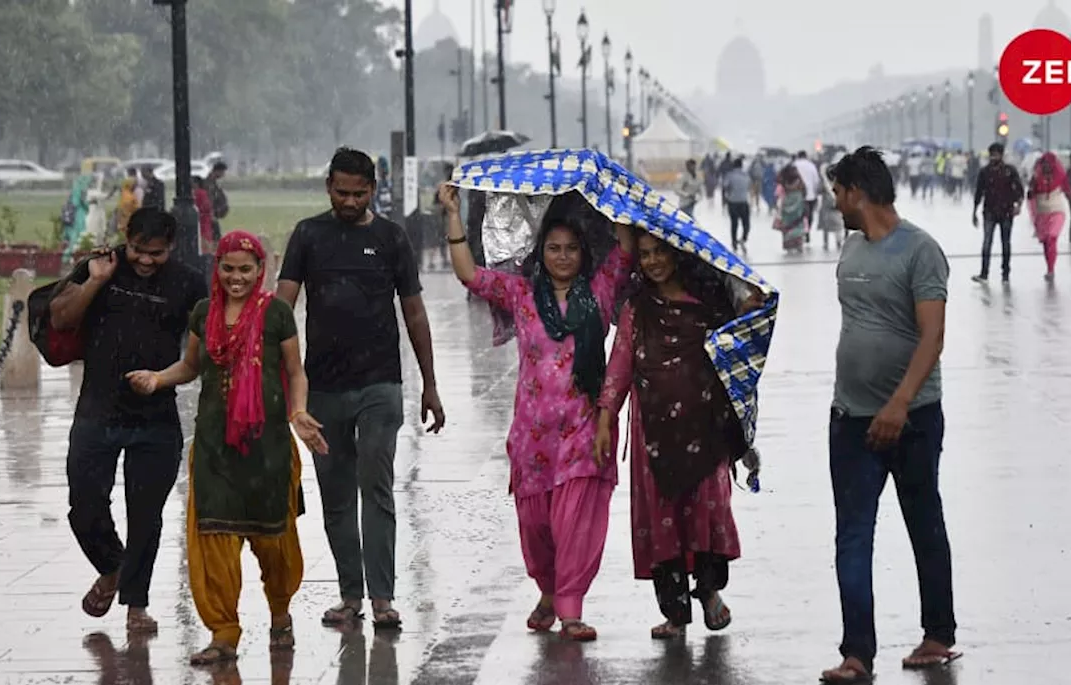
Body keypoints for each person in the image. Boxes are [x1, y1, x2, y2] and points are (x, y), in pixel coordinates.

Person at [437, 181, 635, 642]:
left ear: (584, 253)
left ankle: (570, 607)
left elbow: (625, 250)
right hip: (533, 436)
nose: (563, 257)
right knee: (538, 528)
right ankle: (547, 590)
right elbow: (471, 275)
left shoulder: (601, 291)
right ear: (540, 252)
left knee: (576, 522)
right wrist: (452, 213)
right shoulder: (522, 294)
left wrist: (616, 194)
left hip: (585, 430)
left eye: (570, 249)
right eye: (553, 248)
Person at [126, 231, 329, 665]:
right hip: (215, 448)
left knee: (276, 542)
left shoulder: (276, 314)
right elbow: (191, 365)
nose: (236, 278)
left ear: (261, 270)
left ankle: (280, 613)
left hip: (268, 449)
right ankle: (223, 633)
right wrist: (158, 379)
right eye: (228, 268)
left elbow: (295, 372)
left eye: (245, 269)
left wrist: (298, 414)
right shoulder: (204, 313)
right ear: (216, 267)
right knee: (213, 539)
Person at [276, 148, 446, 631]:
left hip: (380, 385)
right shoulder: (309, 236)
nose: (350, 202)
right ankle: (350, 595)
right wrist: (271, 378)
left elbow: (414, 311)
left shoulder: (391, 238)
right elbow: (283, 307)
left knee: (376, 487)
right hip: (323, 389)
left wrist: (429, 384)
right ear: (327, 186)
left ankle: (384, 598)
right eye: (341, 192)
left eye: (359, 193)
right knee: (334, 495)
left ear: (373, 189)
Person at [819, 147, 957, 685]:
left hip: (914, 417)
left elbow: (934, 336)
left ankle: (938, 635)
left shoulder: (921, 252)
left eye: (838, 192)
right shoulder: (850, 250)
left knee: (924, 522)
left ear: (857, 191)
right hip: (850, 418)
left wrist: (898, 403)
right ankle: (857, 652)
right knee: (852, 533)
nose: (833, 202)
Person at [50, 208, 209, 634]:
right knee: (83, 506)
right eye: (139, 250)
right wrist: (97, 279)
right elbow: (61, 318)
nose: (145, 260)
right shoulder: (103, 265)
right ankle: (113, 568)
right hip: (97, 411)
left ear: (170, 247)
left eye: (156, 254)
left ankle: (136, 605)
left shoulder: (189, 282)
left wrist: (163, 379)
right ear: (127, 238)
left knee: (146, 515)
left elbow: (202, 350)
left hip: (155, 417)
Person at [594, 230, 753, 639]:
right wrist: (605, 419)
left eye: (660, 251)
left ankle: (711, 593)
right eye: (644, 254)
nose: (652, 261)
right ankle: (674, 613)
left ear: (679, 252)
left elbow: (743, 340)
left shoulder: (711, 305)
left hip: (706, 430)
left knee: (708, 510)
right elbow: (620, 366)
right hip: (654, 436)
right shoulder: (636, 309)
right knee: (661, 522)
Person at [971, 143, 1024, 283]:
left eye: (996, 154)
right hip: (990, 211)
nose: (993, 157)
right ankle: (984, 273)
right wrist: (974, 211)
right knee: (987, 242)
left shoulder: (1009, 171)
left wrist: (1019, 205)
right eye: (992, 154)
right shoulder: (985, 172)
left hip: (1006, 210)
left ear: (1001, 155)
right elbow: (979, 193)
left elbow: (1019, 189)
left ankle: (1005, 273)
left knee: (1005, 243)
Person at [1027, 152, 1070, 281]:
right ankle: (1049, 266)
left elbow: (1068, 191)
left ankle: (1051, 270)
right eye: (1044, 163)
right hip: (1042, 214)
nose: (1046, 166)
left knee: (1052, 237)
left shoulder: (1060, 176)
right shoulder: (1036, 177)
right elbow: (1030, 195)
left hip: (1057, 211)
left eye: (1049, 163)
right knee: (1046, 242)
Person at [774, 164, 808, 253]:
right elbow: (805, 191)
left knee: (787, 223)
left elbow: (778, 188)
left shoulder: (784, 181)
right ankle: (798, 243)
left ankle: (788, 244)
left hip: (787, 201)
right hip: (798, 202)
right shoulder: (799, 181)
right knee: (798, 224)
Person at [723, 157, 752, 251]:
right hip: (744, 202)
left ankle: (734, 242)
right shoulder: (746, 175)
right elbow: (749, 186)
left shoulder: (730, 175)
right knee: (746, 223)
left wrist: (727, 197)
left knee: (734, 223)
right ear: (741, 165)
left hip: (733, 202)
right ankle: (743, 238)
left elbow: (725, 186)